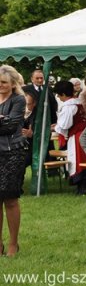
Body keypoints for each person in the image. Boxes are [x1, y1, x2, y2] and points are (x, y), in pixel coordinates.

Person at [0, 65, 28, 258]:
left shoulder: (18, 100)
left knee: (10, 199)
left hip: (12, 154)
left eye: (3, 82)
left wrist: (5, 121)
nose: (0, 85)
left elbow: (10, 126)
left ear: (12, 84)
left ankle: (13, 243)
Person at [52, 81, 86, 195]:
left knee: (77, 161)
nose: (59, 98)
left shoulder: (68, 106)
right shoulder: (78, 103)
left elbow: (65, 125)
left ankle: (82, 187)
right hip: (85, 134)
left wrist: (56, 127)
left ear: (63, 94)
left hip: (77, 136)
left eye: (59, 95)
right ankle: (84, 186)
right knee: (85, 160)